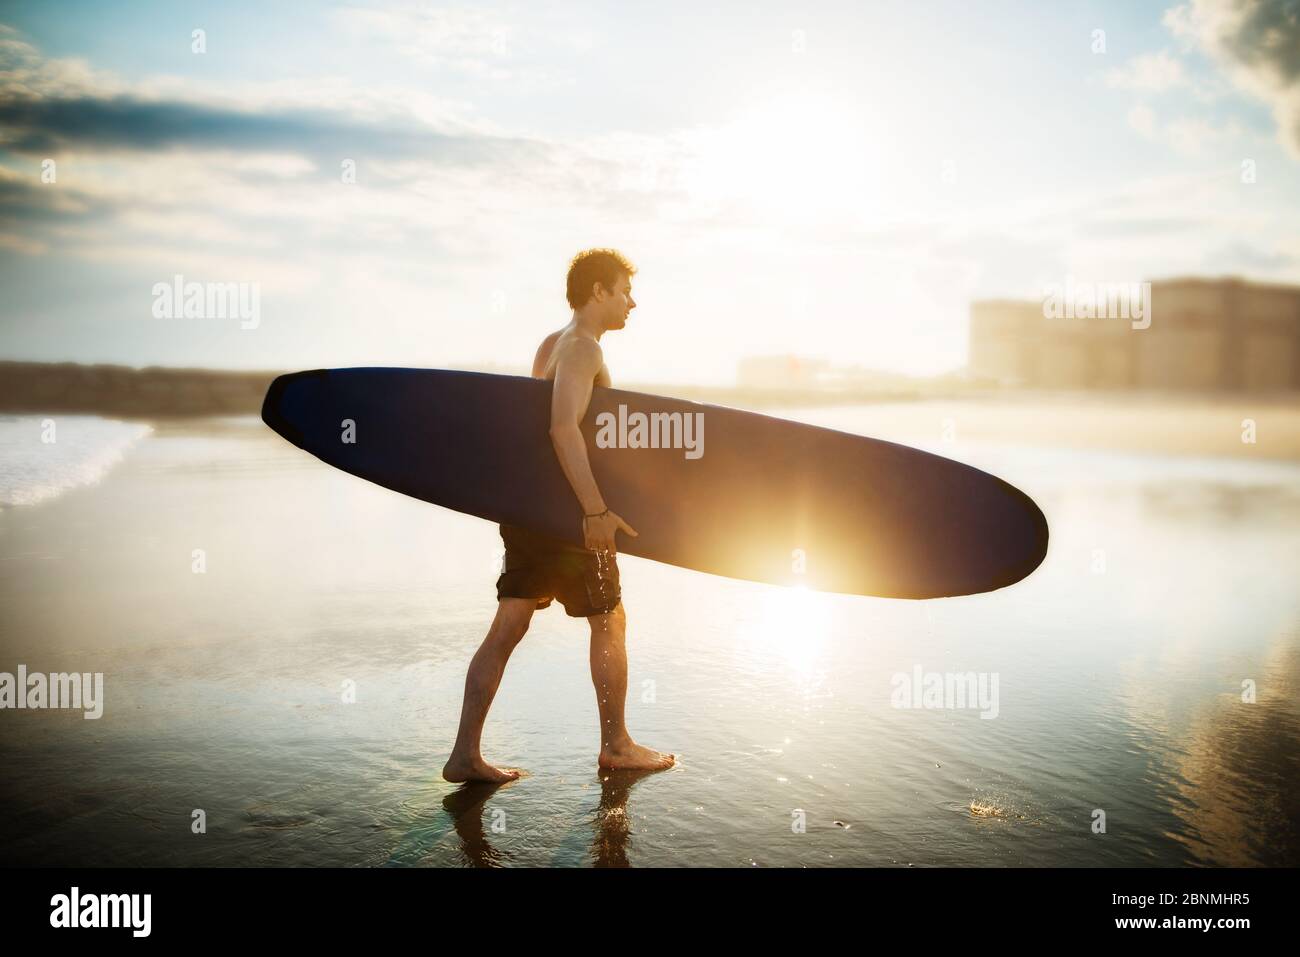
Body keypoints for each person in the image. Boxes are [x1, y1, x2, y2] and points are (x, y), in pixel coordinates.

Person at [442, 248, 676, 783]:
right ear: (599, 291)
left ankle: (464, 755)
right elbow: (562, 428)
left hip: (531, 512)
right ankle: (616, 745)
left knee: (508, 625)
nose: (631, 303)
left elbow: (536, 435)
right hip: (570, 517)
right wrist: (595, 510)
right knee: (609, 619)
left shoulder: (551, 344)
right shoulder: (583, 350)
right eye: (623, 291)